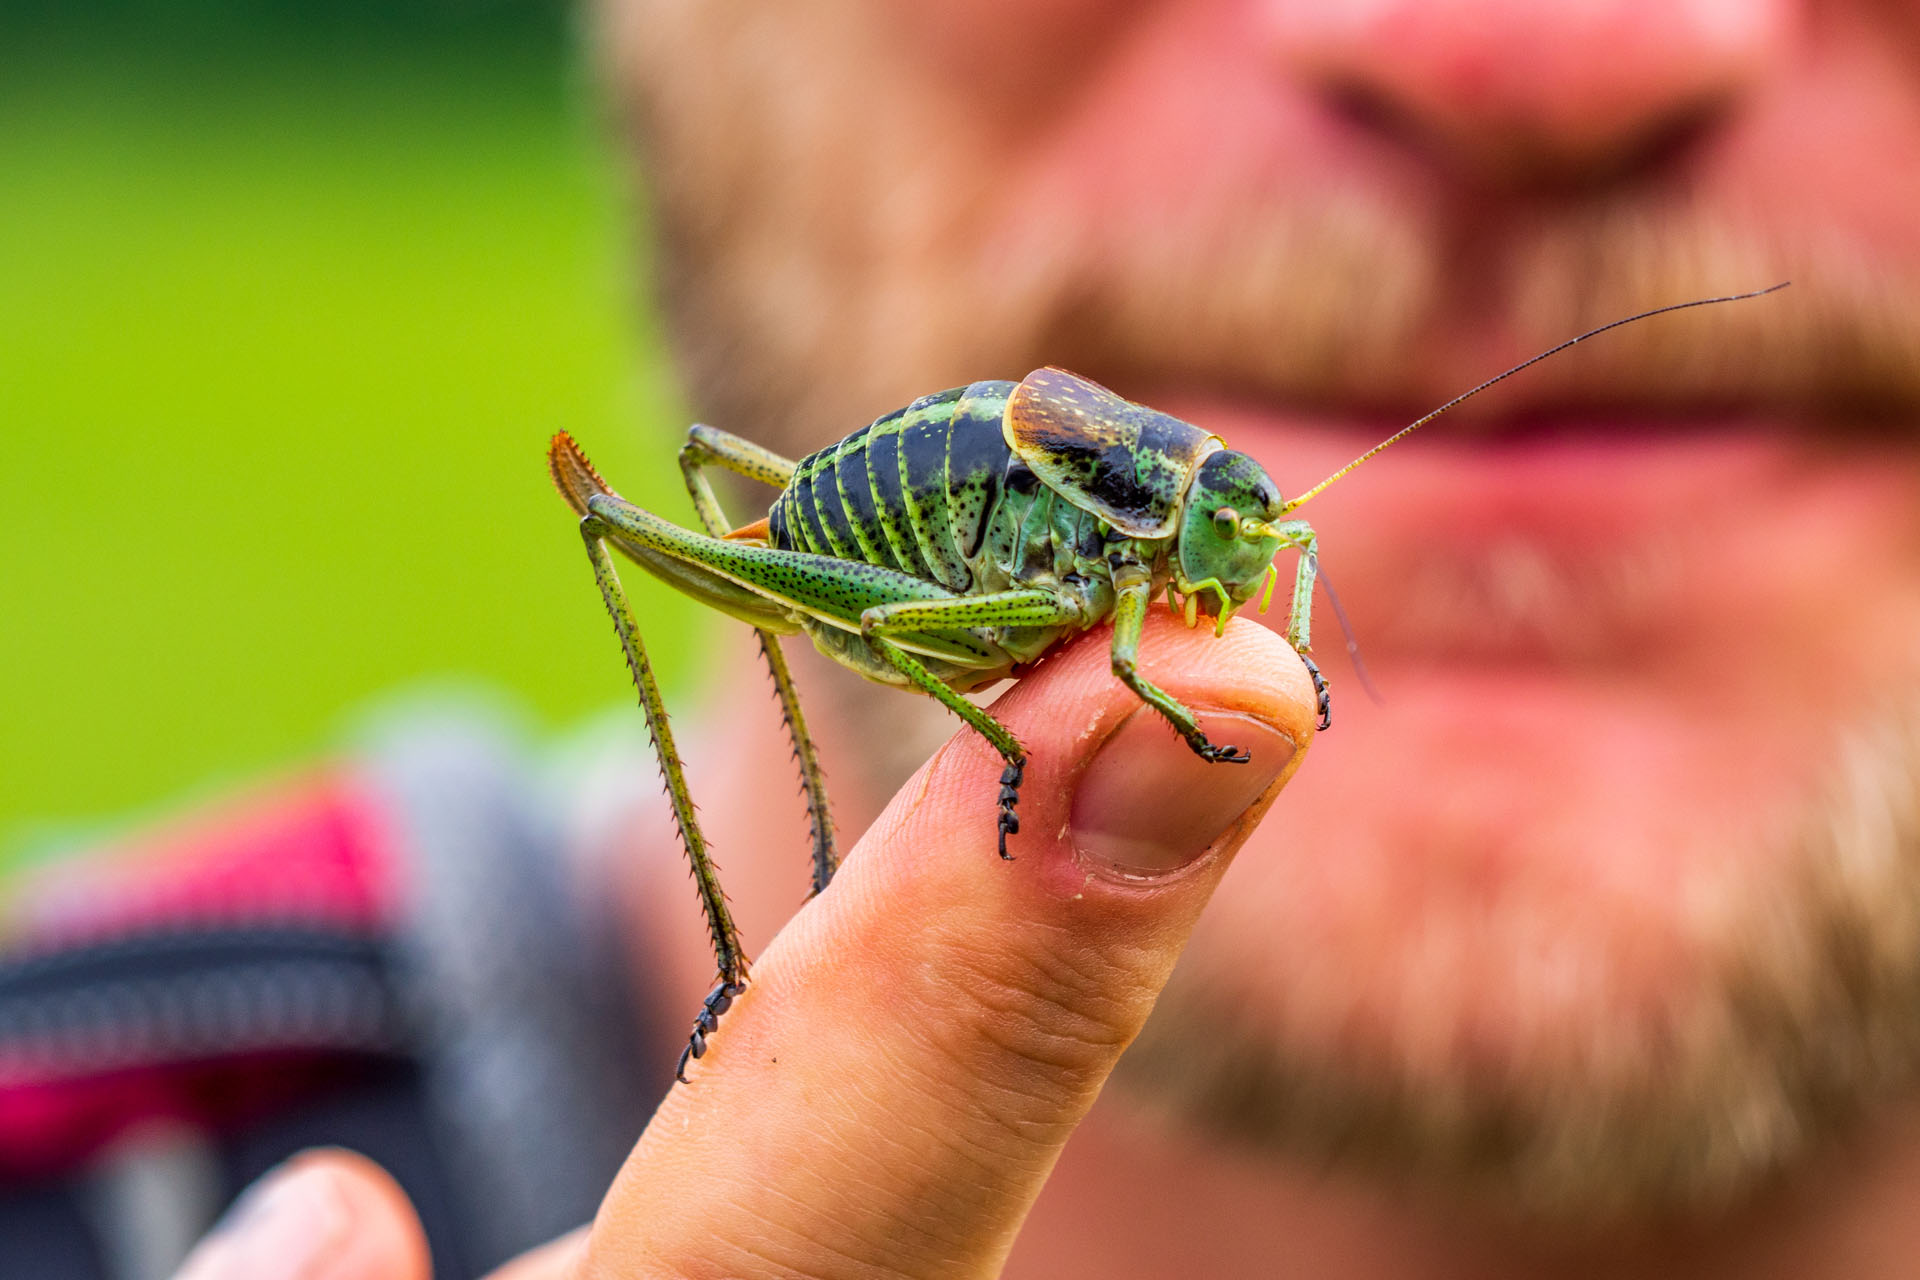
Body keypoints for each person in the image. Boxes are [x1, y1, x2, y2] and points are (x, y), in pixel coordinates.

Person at [69, 0, 1920, 1275]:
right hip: (902, 535)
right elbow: (1113, 638)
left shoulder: (1210, 521)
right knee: (689, 533)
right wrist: (1117, 667)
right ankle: (762, 930)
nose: (1526, 53)